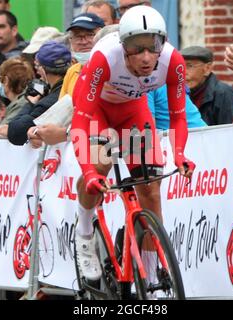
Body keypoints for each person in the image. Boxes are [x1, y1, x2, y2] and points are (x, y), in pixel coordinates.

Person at [70, 5, 195, 282]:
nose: (146, 57)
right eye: (137, 49)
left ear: (163, 42)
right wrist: (90, 171)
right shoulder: (105, 57)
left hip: (132, 109)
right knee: (100, 162)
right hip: (96, 109)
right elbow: (80, 121)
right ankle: (84, 232)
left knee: (151, 187)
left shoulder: (173, 61)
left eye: (153, 47)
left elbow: (178, 117)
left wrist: (180, 154)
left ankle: (151, 279)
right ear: (123, 45)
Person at [0, 41, 71, 145]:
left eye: (37, 67)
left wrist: (30, 104)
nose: (37, 73)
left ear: (42, 70)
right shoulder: (65, 90)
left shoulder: (49, 101)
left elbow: (17, 131)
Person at [181, 46, 233, 126]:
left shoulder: (224, 95)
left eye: (189, 66)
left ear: (207, 69)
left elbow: (232, 133)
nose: (183, 72)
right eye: (180, 67)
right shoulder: (180, 94)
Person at [59, 13, 105, 98]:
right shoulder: (72, 71)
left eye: (90, 35)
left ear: (103, 36)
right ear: (70, 40)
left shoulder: (113, 69)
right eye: (77, 36)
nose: (84, 42)